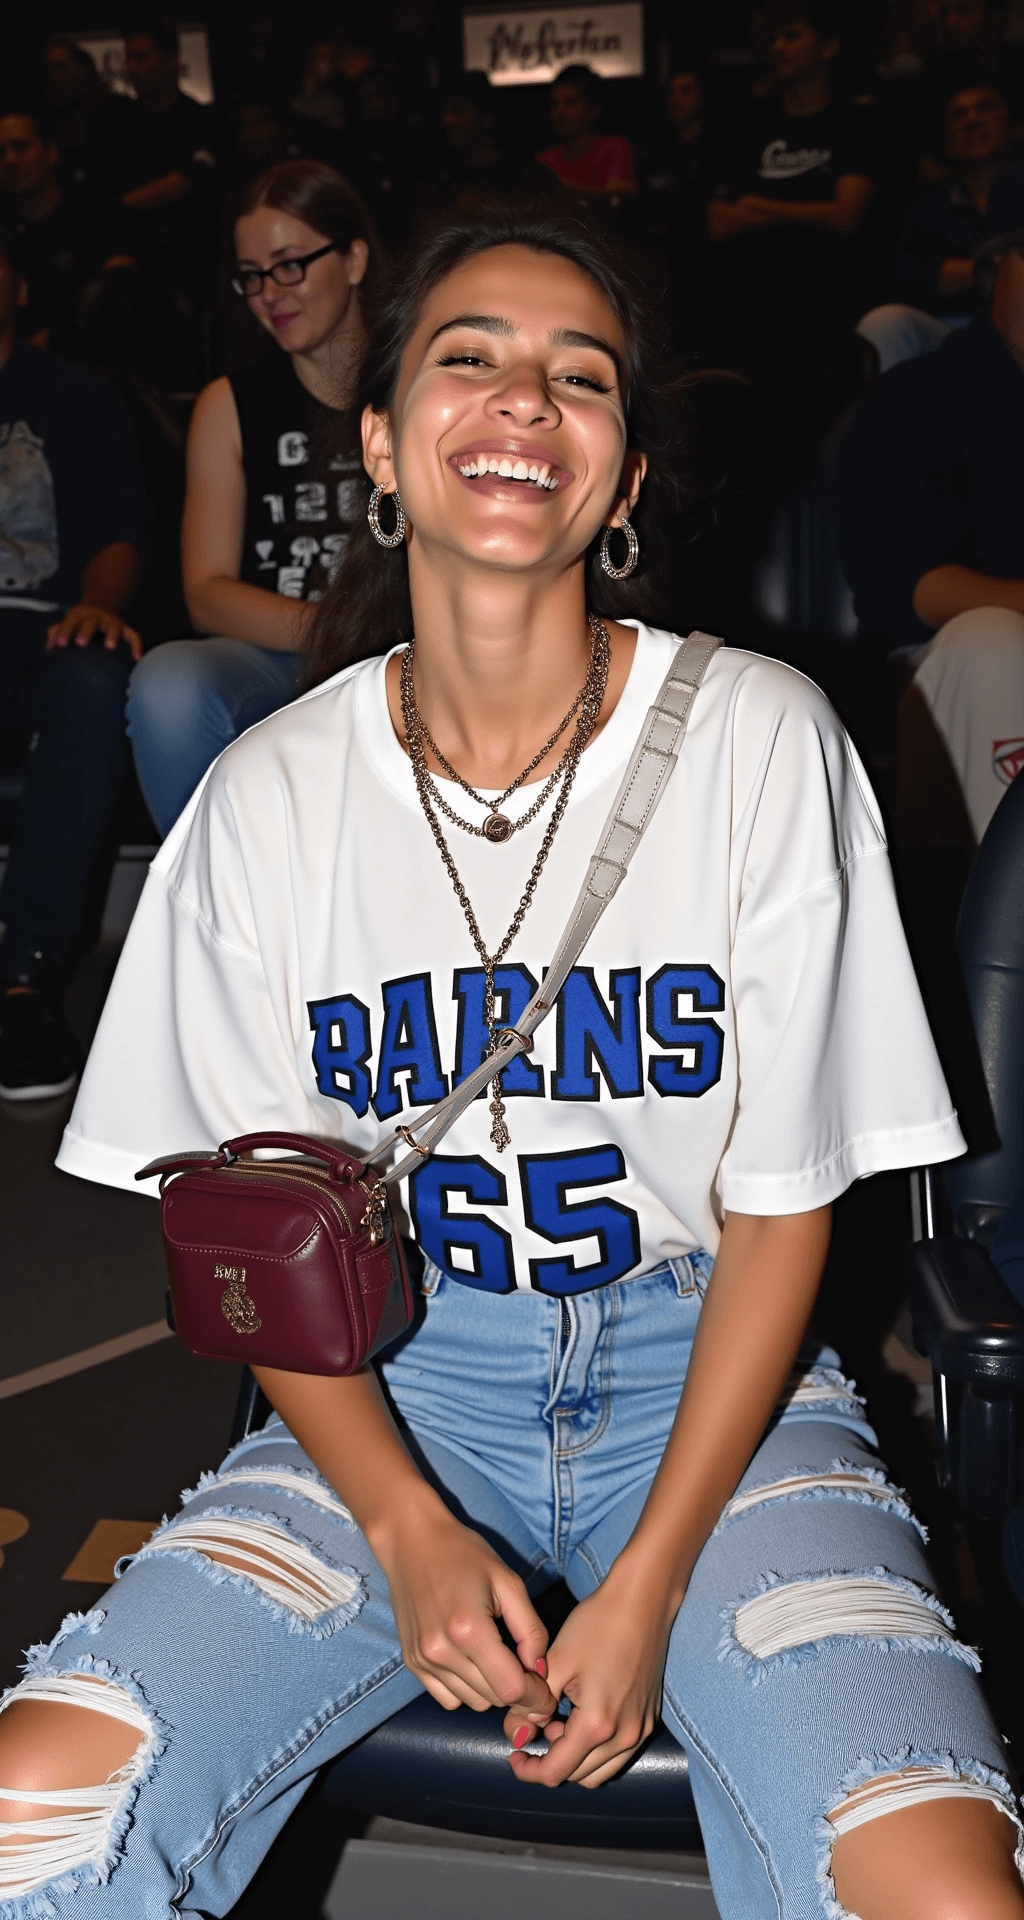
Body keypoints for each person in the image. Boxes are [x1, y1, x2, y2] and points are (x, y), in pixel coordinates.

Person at [2, 205, 1020, 1920]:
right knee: (32, 1809)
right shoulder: (265, 799)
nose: (522, 399)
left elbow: (781, 1219)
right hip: (398, 1386)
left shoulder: (760, 741)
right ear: (384, 448)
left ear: (620, 482)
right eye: (465, 357)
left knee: (927, 1884)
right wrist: (402, 1525)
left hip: (718, 1394)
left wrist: (644, 1582)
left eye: (579, 376)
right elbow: (254, 1247)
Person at [125, 161, 376, 837]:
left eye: (290, 265)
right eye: (252, 274)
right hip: (279, 651)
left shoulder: (425, 390)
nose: (269, 292)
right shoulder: (228, 404)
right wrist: (331, 631)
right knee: (169, 682)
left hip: (406, 652)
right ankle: (217, 912)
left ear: (353, 258)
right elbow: (206, 593)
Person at [0, 223, 148, 1100]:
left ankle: (27, 981)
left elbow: (117, 533)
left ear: (19, 287)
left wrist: (101, 602)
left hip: (43, 632)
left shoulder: (75, 396)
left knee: (97, 679)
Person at [837, 220, 1024, 847]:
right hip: (956, 664)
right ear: (1000, 272)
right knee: (989, 644)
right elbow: (899, 589)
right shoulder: (923, 397)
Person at [706, 0, 877, 449]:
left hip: (826, 301)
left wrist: (761, 204)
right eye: (774, 38)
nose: (779, 47)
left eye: (792, 35)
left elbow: (846, 216)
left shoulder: (854, 123)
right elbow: (721, 222)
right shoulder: (749, 124)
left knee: (821, 434)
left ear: (828, 46)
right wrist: (810, 207)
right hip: (751, 301)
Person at [0, 106, 133, 355]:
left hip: (99, 358)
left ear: (51, 153)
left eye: (20, 147)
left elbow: (119, 286)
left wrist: (47, 342)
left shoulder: (99, 214)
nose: (10, 160)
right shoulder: (3, 234)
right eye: (0, 153)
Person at [890, 82, 1014, 319]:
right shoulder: (928, 204)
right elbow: (904, 273)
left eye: (986, 108)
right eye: (959, 115)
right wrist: (986, 269)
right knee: (886, 322)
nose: (972, 120)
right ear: (948, 143)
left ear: (1012, 125)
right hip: (955, 325)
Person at [536, 64, 635, 204]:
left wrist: (559, 185)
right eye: (554, 104)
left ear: (593, 109)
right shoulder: (544, 161)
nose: (560, 112)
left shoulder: (614, 147)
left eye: (570, 103)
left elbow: (617, 194)